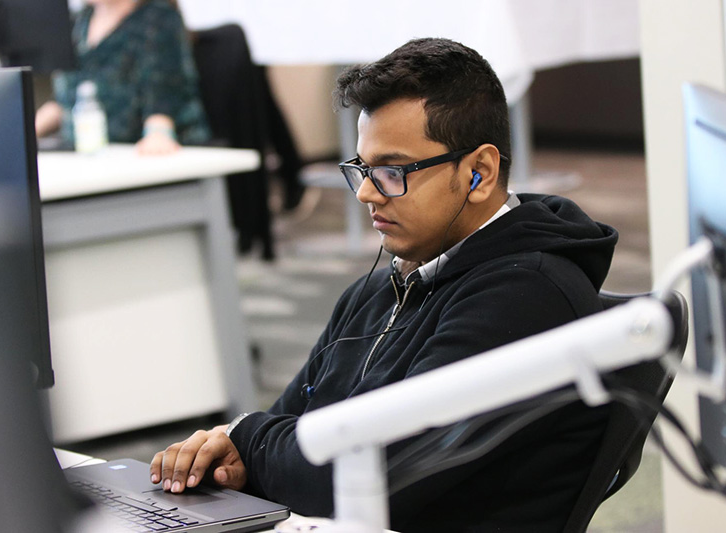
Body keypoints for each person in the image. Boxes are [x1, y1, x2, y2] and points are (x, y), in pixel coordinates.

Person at [150, 38, 618, 531]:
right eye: (363, 169)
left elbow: (367, 479)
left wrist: (250, 439)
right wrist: (244, 450)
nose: (368, 193)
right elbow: (279, 438)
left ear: (479, 172)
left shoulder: (525, 298)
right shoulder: (377, 291)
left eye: (393, 171)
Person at [35, 0, 211, 155]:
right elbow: (64, 99)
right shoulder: (79, 21)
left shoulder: (157, 17)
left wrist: (158, 134)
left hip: (135, 153)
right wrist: (24, 134)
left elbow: (164, 92)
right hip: (86, 154)